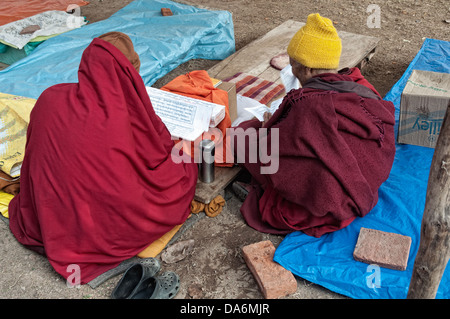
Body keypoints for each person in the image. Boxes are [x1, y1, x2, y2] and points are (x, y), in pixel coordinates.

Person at [8, 32, 198, 284]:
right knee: (182, 169)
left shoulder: (50, 97)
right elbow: (159, 155)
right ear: (132, 70)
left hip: (49, 218)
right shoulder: (132, 113)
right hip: (111, 225)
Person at [232, 13, 396, 237]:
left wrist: (263, 128)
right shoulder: (361, 87)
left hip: (327, 204)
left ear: (307, 70)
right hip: (364, 188)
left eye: (294, 65)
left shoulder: (307, 105)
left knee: (243, 136)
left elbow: (273, 152)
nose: (292, 70)